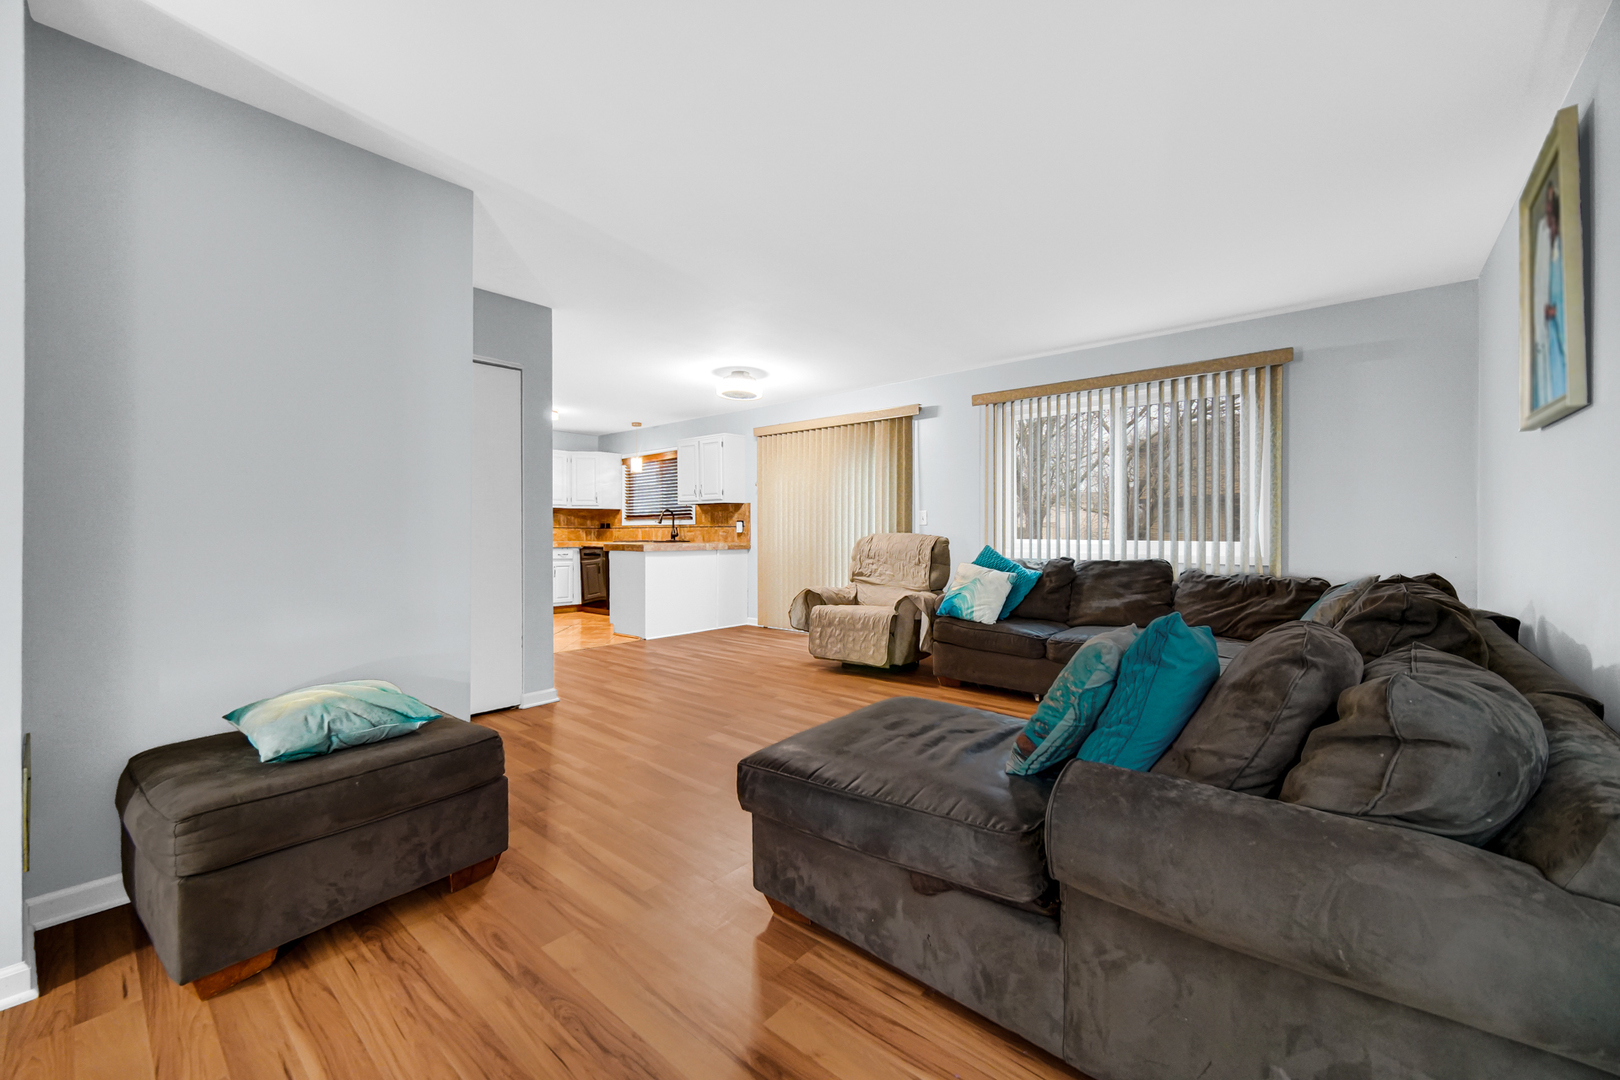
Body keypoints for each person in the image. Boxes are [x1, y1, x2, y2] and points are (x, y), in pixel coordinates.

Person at [1531, 179, 1566, 410]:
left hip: (1558, 327)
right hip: (1548, 332)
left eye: (1551, 205)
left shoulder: (1563, 246)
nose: (1548, 212)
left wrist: (1557, 310)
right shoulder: (1547, 240)